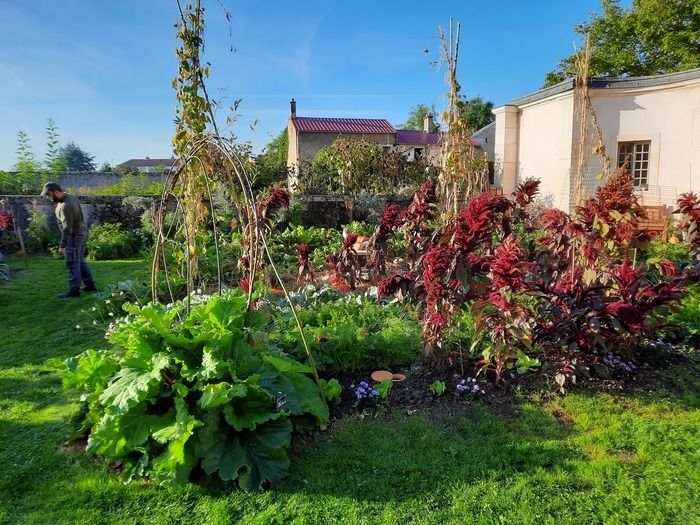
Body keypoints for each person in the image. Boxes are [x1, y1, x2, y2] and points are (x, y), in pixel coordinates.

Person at [41, 182, 97, 298]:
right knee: (80, 260)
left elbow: (67, 228)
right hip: (81, 233)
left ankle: (74, 291)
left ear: (56, 192)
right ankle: (90, 285)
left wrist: (62, 245)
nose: (48, 197)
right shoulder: (70, 197)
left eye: (49, 194)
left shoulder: (65, 205)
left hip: (74, 236)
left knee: (72, 262)